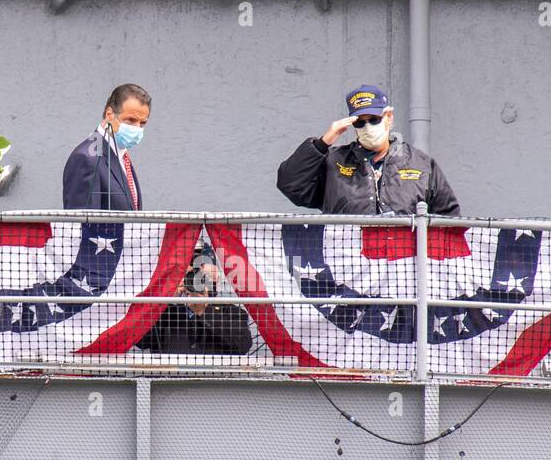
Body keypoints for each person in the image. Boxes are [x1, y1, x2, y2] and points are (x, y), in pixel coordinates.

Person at [276, 84, 460, 216]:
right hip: (348, 265)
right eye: (360, 122)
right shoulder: (335, 162)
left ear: (389, 117)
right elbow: (291, 185)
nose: (368, 126)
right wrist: (323, 142)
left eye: (374, 119)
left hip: (404, 265)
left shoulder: (420, 163)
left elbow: (449, 216)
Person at [137, 243, 253, 355]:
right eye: (190, 276)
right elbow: (141, 341)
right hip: (170, 374)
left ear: (216, 280)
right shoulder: (165, 311)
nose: (195, 281)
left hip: (214, 374)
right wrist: (163, 300)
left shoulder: (232, 311)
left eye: (203, 277)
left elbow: (243, 345)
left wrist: (205, 312)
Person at [62, 83, 150, 210]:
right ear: (109, 114)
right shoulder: (86, 158)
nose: (137, 128)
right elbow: (81, 224)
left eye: (142, 123)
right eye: (130, 120)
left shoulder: (120, 154)